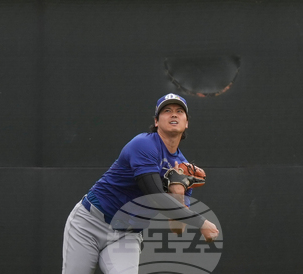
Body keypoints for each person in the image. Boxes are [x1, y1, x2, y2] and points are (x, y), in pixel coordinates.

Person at [61, 93, 220, 274]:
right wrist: (201, 223)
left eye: (179, 111)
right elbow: (155, 197)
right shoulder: (143, 144)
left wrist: (178, 191)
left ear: (186, 122)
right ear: (156, 122)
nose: (174, 114)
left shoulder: (182, 168)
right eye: (167, 111)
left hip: (127, 234)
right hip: (90, 223)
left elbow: (177, 229)